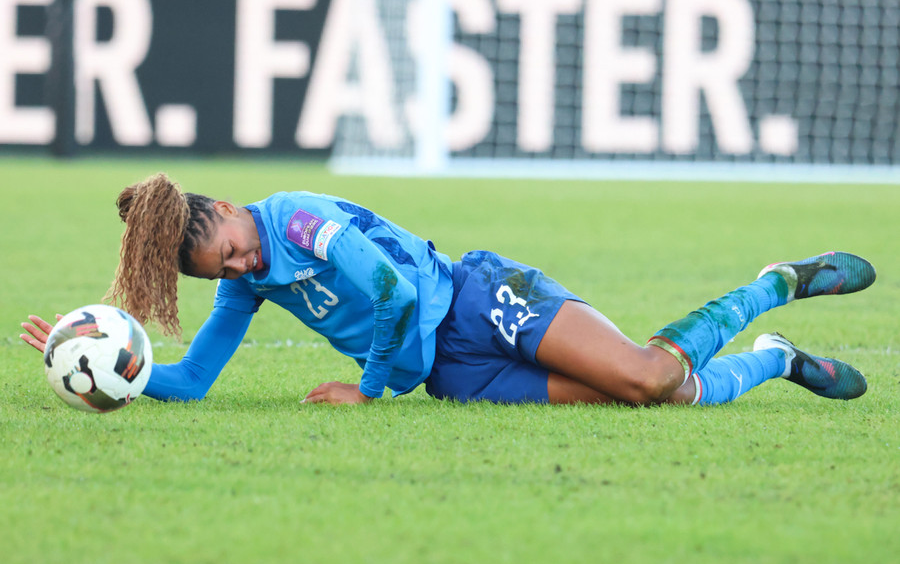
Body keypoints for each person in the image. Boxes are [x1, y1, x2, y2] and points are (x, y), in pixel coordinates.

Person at [21, 173, 876, 406]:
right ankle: (774, 360)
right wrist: (101, 362)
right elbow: (193, 381)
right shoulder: (251, 285)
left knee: (646, 373)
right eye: (226, 274)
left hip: (478, 299)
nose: (243, 271)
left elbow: (394, 294)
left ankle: (772, 287)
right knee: (662, 397)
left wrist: (368, 390)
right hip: (452, 373)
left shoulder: (301, 222)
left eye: (236, 253)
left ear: (234, 211)